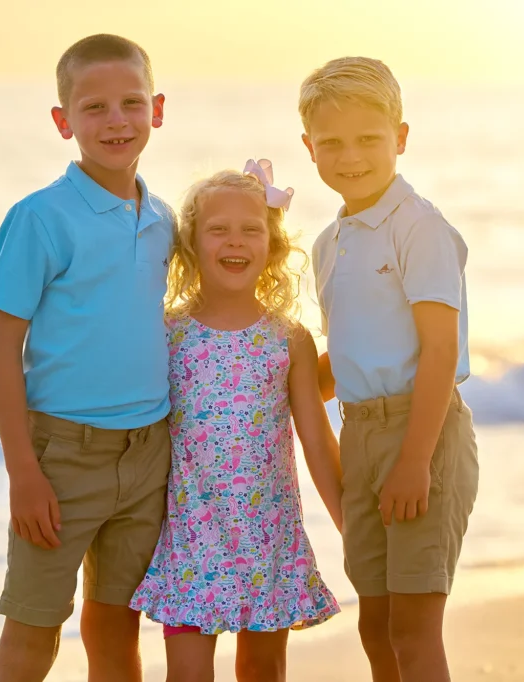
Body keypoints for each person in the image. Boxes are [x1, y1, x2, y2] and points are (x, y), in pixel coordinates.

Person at [0, 33, 175, 682]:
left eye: (131, 103)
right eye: (94, 108)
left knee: (117, 630)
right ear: (64, 122)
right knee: (34, 632)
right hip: (61, 460)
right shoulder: (42, 218)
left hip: (150, 454)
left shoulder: (165, 220)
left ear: (158, 110)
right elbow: (3, 346)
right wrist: (23, 474)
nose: (116, 120)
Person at [299, 56, 480, 682]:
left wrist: (413, 460)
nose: (351, 156)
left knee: (412, 627)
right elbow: (349, 351)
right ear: (309, 149)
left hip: (421, 431)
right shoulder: (329, 243)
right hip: (361, 438)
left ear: (400, 137)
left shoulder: (419, 228)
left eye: (369, 139)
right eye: (332, 143)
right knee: (375, 626)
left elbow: (440, 351)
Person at [130, 160, 342, 682]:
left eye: (251, 229)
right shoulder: (168, 333)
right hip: (189, 537)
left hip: (267, 537)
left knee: (263, 669)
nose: (236, 241)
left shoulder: (288, 339)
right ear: (190, 244)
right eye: (218, 229)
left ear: (271, 244)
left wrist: (349, 524)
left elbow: (316, 440)